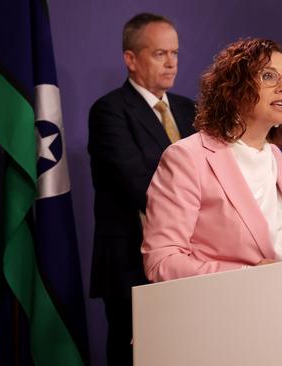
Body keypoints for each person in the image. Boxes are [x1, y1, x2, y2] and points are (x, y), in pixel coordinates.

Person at [141, 38, 282, 282]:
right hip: (219, 311)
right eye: (268, 76)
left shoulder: (274, 156)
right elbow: (163, 261)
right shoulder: (187, 157)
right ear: (233, 89)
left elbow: (270, 249)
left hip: (276, 304)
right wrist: (245, 276)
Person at [88, 12, 196, 365]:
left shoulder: (189, 110)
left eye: (175, 53)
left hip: (190, 260)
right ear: (130, 59)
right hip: (130, 264)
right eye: (160, 54)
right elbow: (138, 182)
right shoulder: (109, 111)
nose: (171, 63)